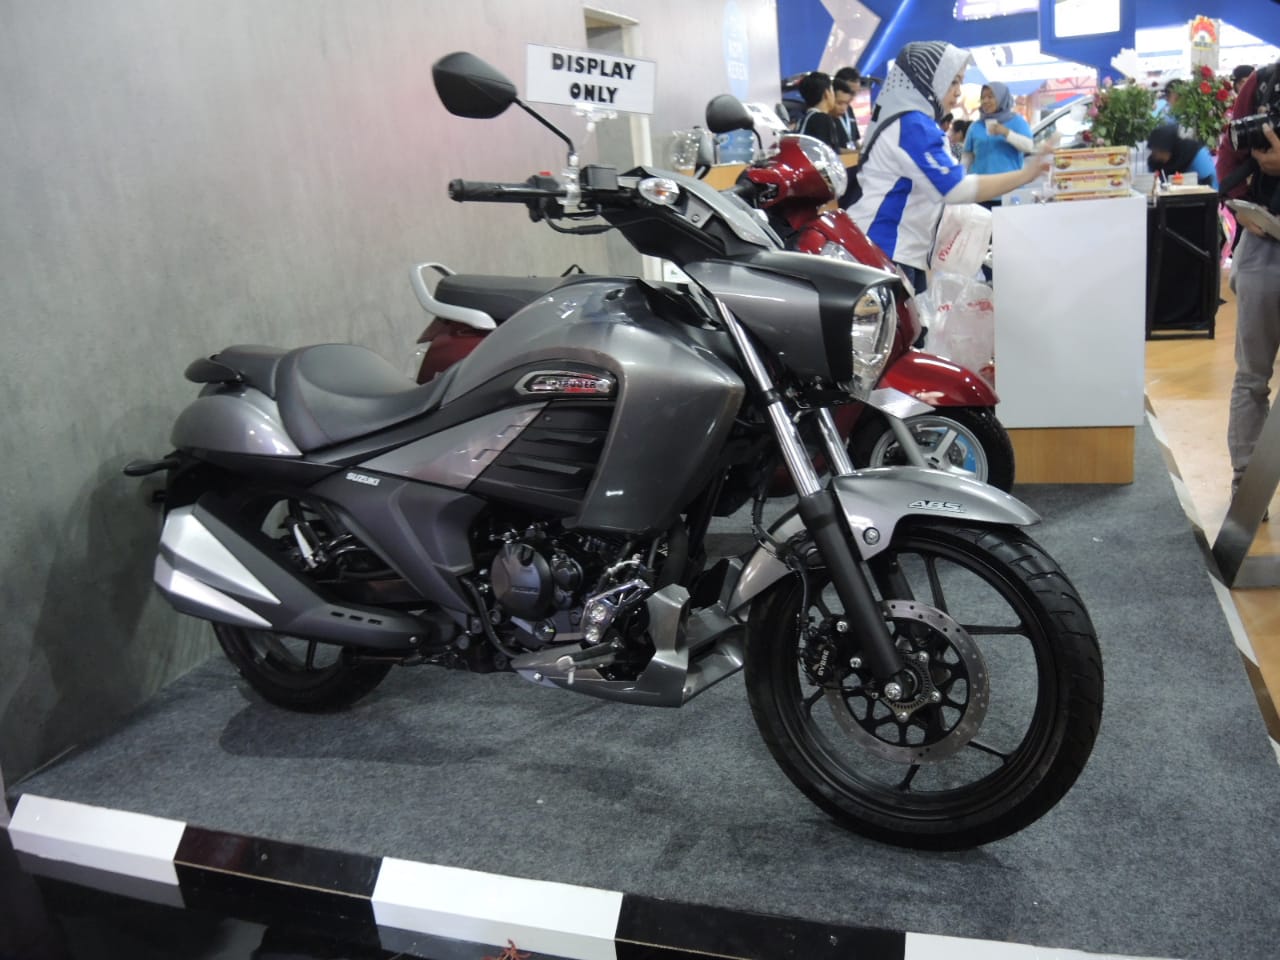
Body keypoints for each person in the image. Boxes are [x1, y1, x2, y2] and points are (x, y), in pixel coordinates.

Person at [846, 41, 1050, 294]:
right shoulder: (912, 124)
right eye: (953, 82)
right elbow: (954, 188)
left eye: (960, 82)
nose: (958, 92)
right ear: (927, 79)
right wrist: (1026, 174)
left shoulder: (913, 121)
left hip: (897, 249)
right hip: (883, 247)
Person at [1217, 60, 1280, 509]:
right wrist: (1240, 205)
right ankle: (1247, 481)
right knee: (1252, 375)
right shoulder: (1264, 82)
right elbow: (1230, 152)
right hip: (1265, 243)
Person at [962, 82, 1034, 188]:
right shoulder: (975, 126)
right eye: (983, 98)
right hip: (981, 189)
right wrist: (961, 180)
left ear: (1001, 98)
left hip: (1009, 187)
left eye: (990, 97)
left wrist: (1006, 133)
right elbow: (967, 156)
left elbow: (1029, 147)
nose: (985, 101)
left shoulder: (1017, 122)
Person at [1147, 124, 1219, 189]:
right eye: (1154, 151)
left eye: (1161, 151)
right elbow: (1153, 186)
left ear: (1171, 148)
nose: (1157, 156)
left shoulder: (1196, 154)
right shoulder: (1154, 162)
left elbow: (1211, 185)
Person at [795, 71, 845, 152]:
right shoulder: (822, 119)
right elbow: (828, 153)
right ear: (826, 93)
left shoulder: (805, 118)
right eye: (832, 90)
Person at [833, 66, 863, 150]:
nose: (853, 97)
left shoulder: (849, 109)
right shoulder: (827, 112)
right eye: (851, 92)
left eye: (856, 93)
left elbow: (854, 141)